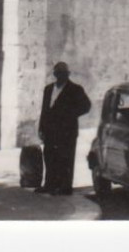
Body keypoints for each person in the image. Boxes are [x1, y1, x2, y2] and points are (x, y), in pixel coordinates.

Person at [36, 61, 90, 196]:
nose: (60, 76)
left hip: (67, 131)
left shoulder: (75, 89)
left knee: (65, 158)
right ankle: (49, 184)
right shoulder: (48, 89)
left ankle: (65, 187)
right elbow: (45, 110)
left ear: (68, 74)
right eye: (58, 73)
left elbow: (86, 106)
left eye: (63, 73)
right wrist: (41, 128)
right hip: (50, 130)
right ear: (54, 74)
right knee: (49, 156)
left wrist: (70, 115)